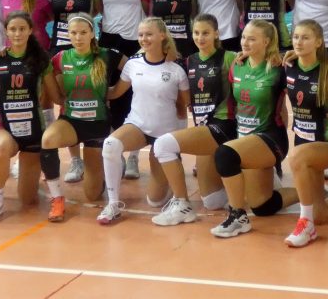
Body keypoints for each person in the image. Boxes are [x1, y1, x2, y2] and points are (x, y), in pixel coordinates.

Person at [210, 20, 297, 238]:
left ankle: (237, 215)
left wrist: (297, 55)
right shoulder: (238, 65)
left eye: (252, 38)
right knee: (262, 206)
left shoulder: (279, 68)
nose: (245, 42)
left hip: (271, 138)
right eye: (243, 37)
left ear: (266, 41)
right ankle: (312, 190)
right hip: (245, 138)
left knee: (224, 154)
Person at [99, 17, 190, 225]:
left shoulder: (176, 69)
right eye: (140, 35)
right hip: (138, 125)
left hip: (164, 136)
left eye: (149, 34)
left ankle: (169, 174)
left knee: (155, 201)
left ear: (162, 35)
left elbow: (185, 105)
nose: (143, 38)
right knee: (110, 144)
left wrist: (177, 140)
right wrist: (92, 91)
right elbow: (115, 92)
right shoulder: (133, 64)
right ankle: (113, 204)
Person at [151, 14, 236, 226]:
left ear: (216, 34)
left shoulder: (230, 58)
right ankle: (243, 180)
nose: (200, 37)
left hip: (224, 125)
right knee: (212, 201)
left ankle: (182, 204)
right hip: (204, 129)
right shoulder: (188, 62)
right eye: (196, 33)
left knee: (163, 145)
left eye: (206, 33)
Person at [41, 13, 127, 222]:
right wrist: (58, 97)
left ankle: (112, 163)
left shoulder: (107, 55)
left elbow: (135, 67)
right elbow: (49, 81)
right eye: (73, 33)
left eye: (83, 32)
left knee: (92, 194)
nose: (78, 37)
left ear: (92, 33)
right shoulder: (61, 58)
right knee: (48, 139)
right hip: (71, 121)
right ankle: (57, 198)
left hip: (97, 124)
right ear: (68, 35)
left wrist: (115, 92)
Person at [0, 11, 62, 223]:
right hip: (4, 127)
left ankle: (26, 176)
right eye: (13, 29)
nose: (17, 33)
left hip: (33, 130)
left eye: (21, 29)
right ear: (6, 32)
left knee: (27, 199)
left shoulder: (40, 61)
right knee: (2, 147)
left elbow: (56, 97)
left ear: (30, 30)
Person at [282, 19, 328, 248]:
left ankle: (305, 224)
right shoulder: (287, 65)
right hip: (303, 142)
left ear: (319, 42)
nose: (299, 42)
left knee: (296, 157)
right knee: (321, 214)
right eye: (296, 37)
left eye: (305, 37)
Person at [93, 0, 150, 179]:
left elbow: (148, 6)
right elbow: (96, 6)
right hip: (108, 42)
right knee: (111, 98)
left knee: (136, 96)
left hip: (134, 43)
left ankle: (135, 155)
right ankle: (118, 154)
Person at [46, 0, 100, 184]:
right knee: (66, 101)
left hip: (85, 49)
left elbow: (96, 11)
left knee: (87, 96)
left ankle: (92, 152)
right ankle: (75, 159)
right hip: (60, 49)